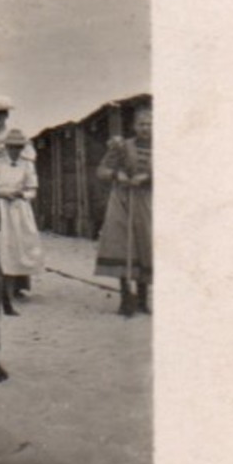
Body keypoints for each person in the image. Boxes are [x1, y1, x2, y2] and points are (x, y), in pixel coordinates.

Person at [94, 104, 152, 316]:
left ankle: (143, 299)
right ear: (134, 126)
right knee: (122, 245)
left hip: (147, 201)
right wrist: (117, 175)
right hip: (122, 201)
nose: (146, 128)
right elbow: (102, 170)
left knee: (144, 244)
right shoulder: (122, 147)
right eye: (142, 124)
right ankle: (126, 298)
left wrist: (147, 177)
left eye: (150, 124)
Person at [0, 129, 43, 316]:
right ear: (5, 147)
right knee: (3, 246)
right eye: (11, 147)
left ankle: (15, 287)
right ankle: (3, 291)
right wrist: (2, 194)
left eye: (18, 147)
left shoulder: (27, 165)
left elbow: (32, 189)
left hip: (19, 209)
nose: (14, 151)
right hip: (1, 208)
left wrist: (23, 195)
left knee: (20, 246)